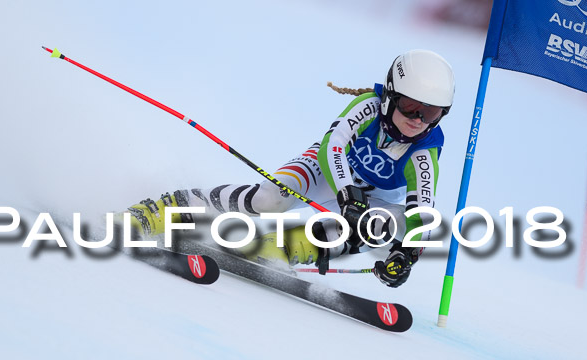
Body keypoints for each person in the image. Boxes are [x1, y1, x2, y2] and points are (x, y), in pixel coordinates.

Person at [123, 49, 454, 288]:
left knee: (379, 226)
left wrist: (407, 254)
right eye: (411, 107)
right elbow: (333, 147)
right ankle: (167, 208)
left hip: (372, 200)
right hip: (328, 170)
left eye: (431, 113)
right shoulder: (367, 107)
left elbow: (422, 211)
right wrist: (346, 193)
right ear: (390, 97)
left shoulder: (424, 151)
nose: (418, 120)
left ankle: (277, 248)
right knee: (270, 200)